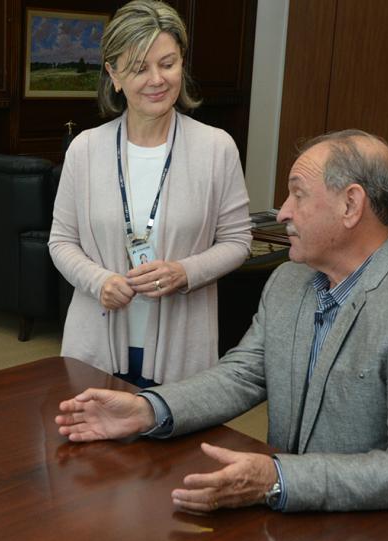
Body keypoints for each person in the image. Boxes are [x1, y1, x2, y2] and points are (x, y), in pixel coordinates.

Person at [54, 130, 388, 541]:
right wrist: (147, 408)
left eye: (298, 195)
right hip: (318, 519)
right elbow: (241, 375)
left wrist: (277, 478)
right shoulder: (289, 281)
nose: (283, 211)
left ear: (351, 205)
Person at [49, 0, 251, 386]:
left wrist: (185, 271)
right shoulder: (86, 149)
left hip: (183, 348)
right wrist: (98, 281)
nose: (157, 79)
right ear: (114, 75)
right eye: (139, 68)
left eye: (168, 63)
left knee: (171, 443)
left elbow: (238, 241)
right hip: (95, 344)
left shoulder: (217, 148)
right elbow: (61, 242)